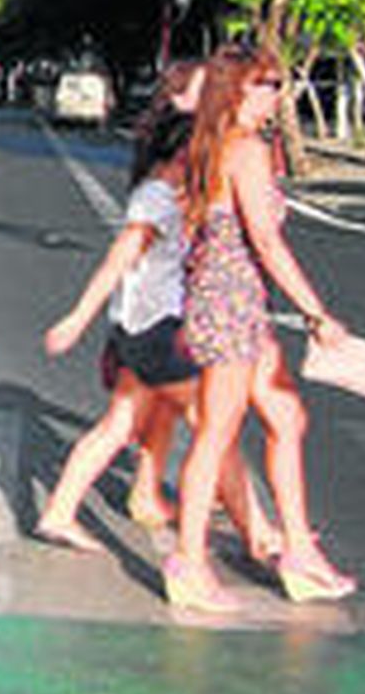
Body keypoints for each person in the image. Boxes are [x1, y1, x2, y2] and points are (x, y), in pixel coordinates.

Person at [38, 65, 277, 557]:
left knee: (119, 426)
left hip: (142, 328)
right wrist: (77, 319)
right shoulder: (161, 195)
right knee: (217, 431)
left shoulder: (175, 191)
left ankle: (59, 513)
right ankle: (261, 535)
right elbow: (119, 259)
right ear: (180, 152)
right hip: (155, 331)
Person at [164, 44, 357, 612]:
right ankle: (189, 562)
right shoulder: (243, 149)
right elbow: (267, 242)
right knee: (217, 433)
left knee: (286, 417)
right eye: (266, 83)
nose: (277, 92)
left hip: (235, 302)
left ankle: (298, 549)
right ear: (237, 90)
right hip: (230, 304)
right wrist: (316, 313)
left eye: (277, 82)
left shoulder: (219, 144)